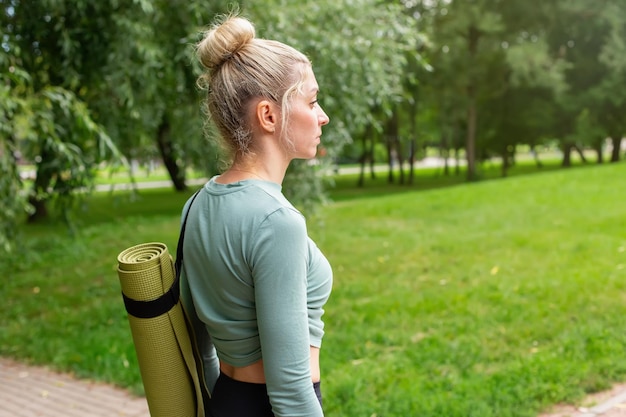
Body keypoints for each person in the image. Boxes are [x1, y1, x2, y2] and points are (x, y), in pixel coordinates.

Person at [180, 13, 333, 417]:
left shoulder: (196, 205)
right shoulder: (278, 222)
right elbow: (290, 391)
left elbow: (198, 346)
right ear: (269, 116)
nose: (323, 117)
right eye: (313, 100)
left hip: (225, 402)